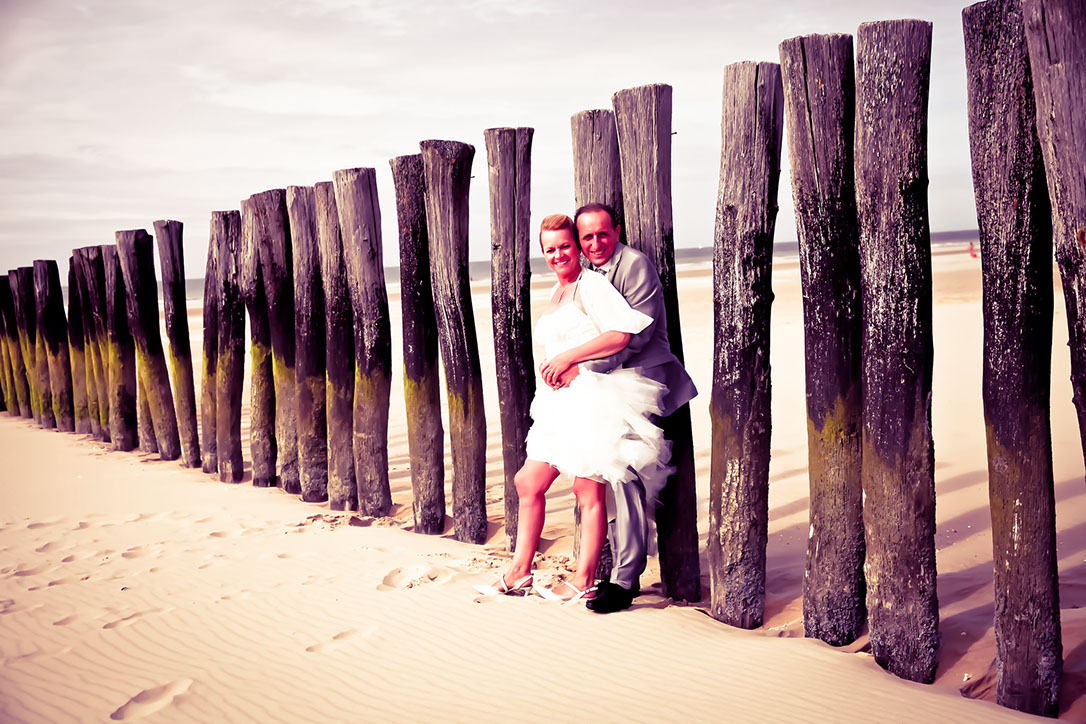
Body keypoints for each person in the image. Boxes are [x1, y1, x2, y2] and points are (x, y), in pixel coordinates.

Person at [474, 213, 673, 602]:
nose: (558, 254)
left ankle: (583, 579)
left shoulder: (592, 285)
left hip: (593, 394)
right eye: (550, 249)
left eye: (565, 245)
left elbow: (622, 333)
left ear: (577, 247)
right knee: (527, 482)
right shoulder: (556, 291)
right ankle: (519, 573)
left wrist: (570, 359)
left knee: (587, 488)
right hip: (558, 402)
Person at [561, 202, 697, 614]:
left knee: (627, 473)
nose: (597, 243)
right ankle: (617, 566)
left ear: (616, 230)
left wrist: (581, 365)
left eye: (603, 233)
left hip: (643, 377)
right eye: (588, 237)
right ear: (580, 242)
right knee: (604, 470)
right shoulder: (585, 277)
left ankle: (625, 580)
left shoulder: (634, 264)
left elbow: (638, 334)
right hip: (605, 380)